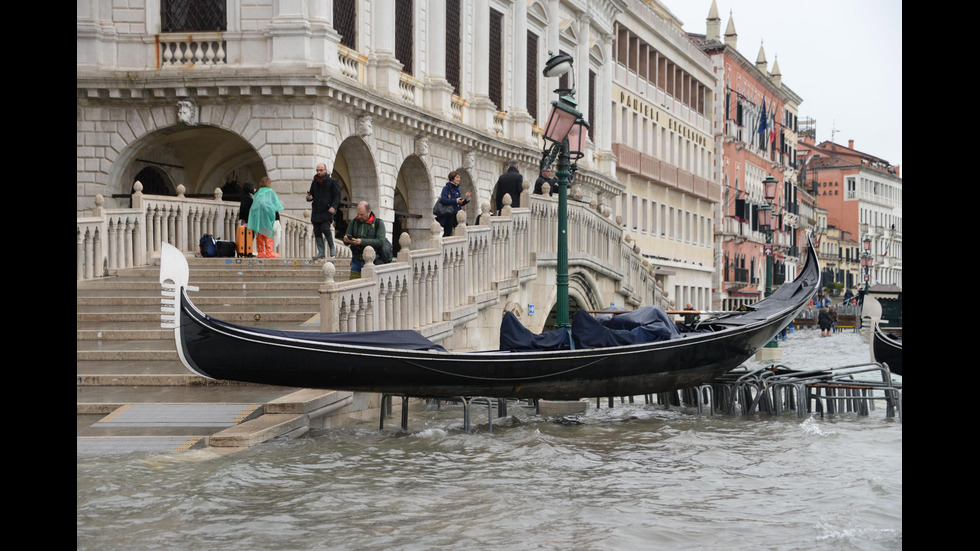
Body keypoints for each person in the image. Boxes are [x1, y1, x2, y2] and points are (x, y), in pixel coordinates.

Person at [307, 163, 342, 259]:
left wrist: (333, 207)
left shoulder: (332, 182)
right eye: (317, 170)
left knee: (325, 228)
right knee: (317, 231)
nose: (318, 172)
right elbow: (311, 195)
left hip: (327, 211)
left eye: (321, 170)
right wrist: (309, 197)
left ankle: (332, 247)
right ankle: (321, 251)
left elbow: (337, 196)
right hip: (316, 211)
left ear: (326, 170)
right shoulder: (314, 182)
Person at [343, 201, 386, 279]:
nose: (359, 216)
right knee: (353, 286)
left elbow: (380, 241)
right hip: (355, 261)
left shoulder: (378, 223)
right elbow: (346, 241)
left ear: (369, 212)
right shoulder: (353, 222)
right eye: (358, 214)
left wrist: (362, 242)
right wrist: (346, 240)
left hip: (371, 262)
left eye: (362, 214)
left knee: (369, 287)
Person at [248, 177, 284, 258]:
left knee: (259, 234)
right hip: (267, 215)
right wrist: (280, 205)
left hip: (258, 216)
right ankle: (269, 252)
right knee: (268, 233)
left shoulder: (257, 193)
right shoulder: (270, 192)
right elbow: (275, 203)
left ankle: (260, 252)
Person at [435, 171, 471, 237]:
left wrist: (467, 199)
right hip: (449, 214)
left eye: (459, 177)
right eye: (457, 177)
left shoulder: (458, 188)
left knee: (461, 232)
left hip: (457, 214)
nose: (459, 179)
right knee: (447, 233)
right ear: (452, 178)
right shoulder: (447, 188)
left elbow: (459, 203)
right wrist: (455, 201)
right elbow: (443, 200)